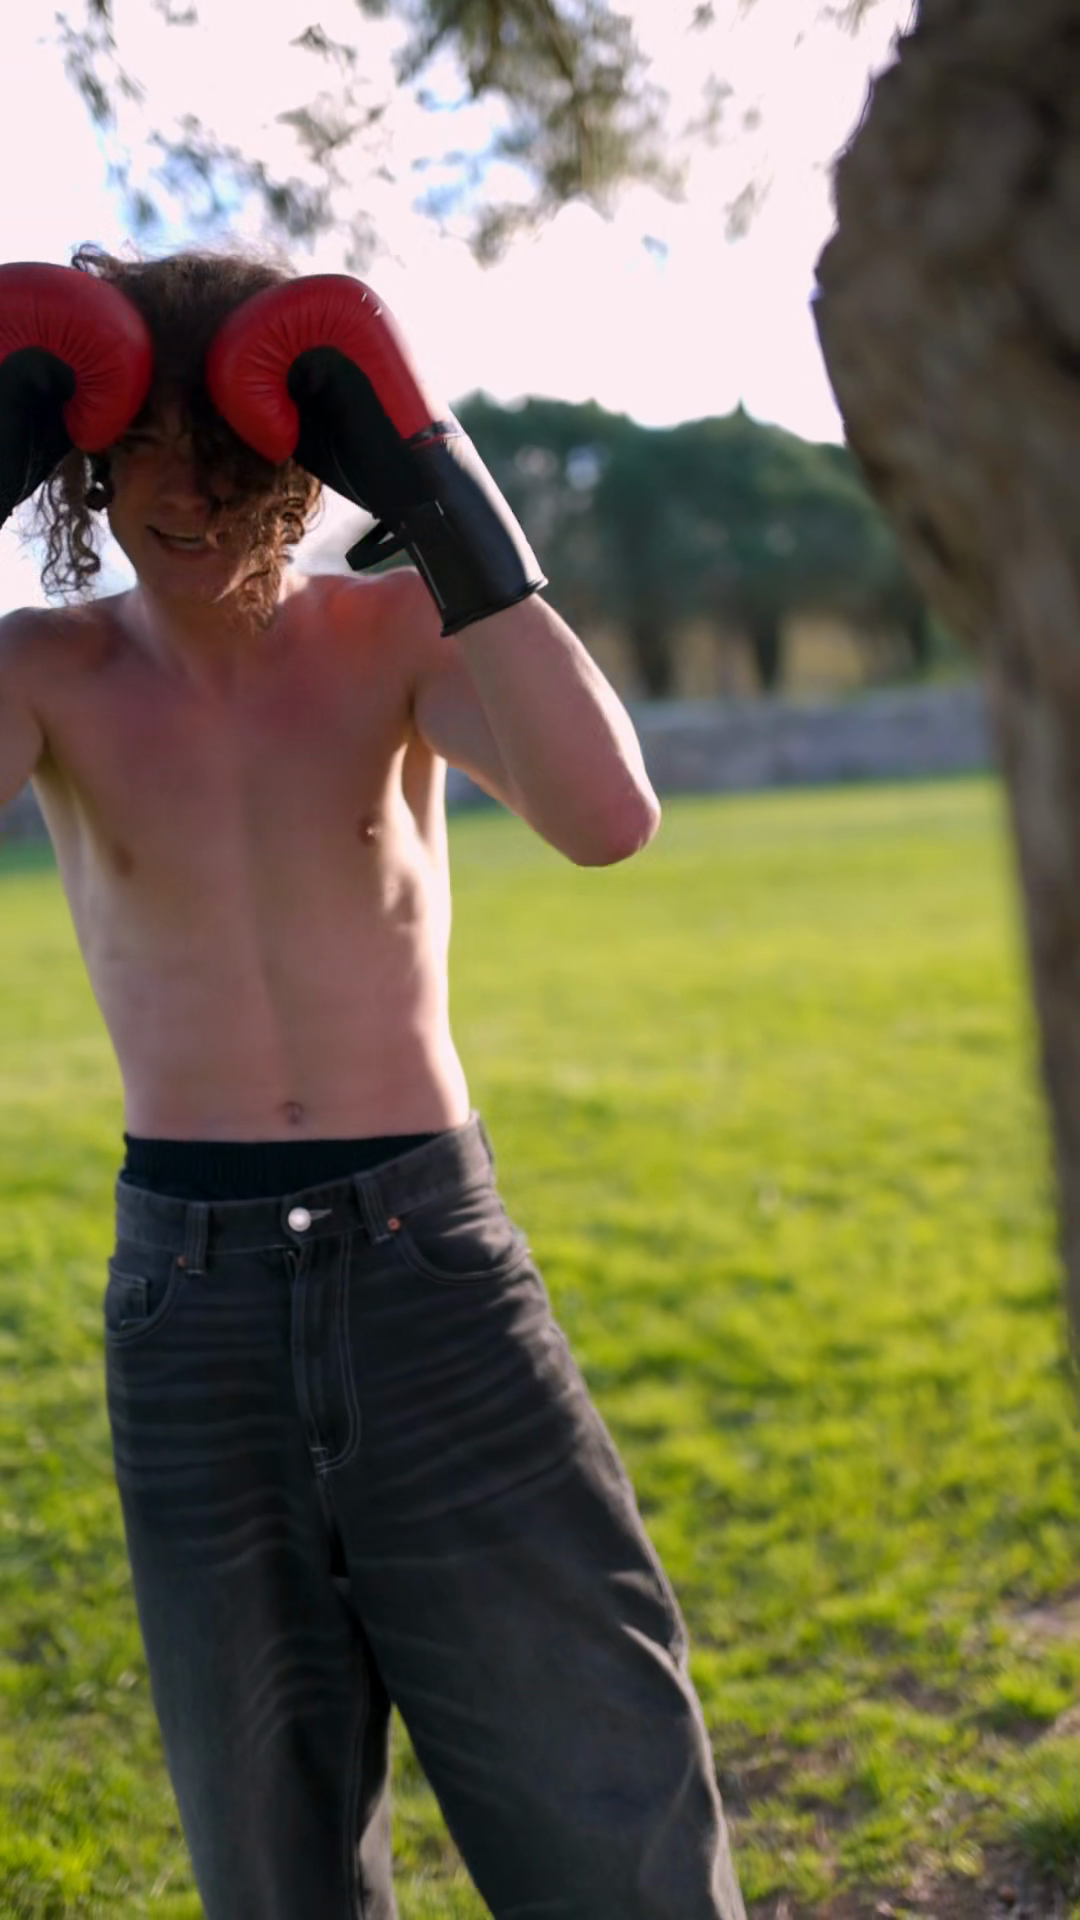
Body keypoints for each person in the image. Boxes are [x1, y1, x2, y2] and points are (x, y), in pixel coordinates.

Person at [0, 245, 746, 1920]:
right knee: (272, 1853)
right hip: (189, 1303)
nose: (186, 490)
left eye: (227, 446)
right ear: (78, 459)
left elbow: (607, 818)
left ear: (305, 453)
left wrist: (446, 502)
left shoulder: (393, 629)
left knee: (603, 1793)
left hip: (429, 1266)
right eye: (141, 445)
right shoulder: (45, 673)